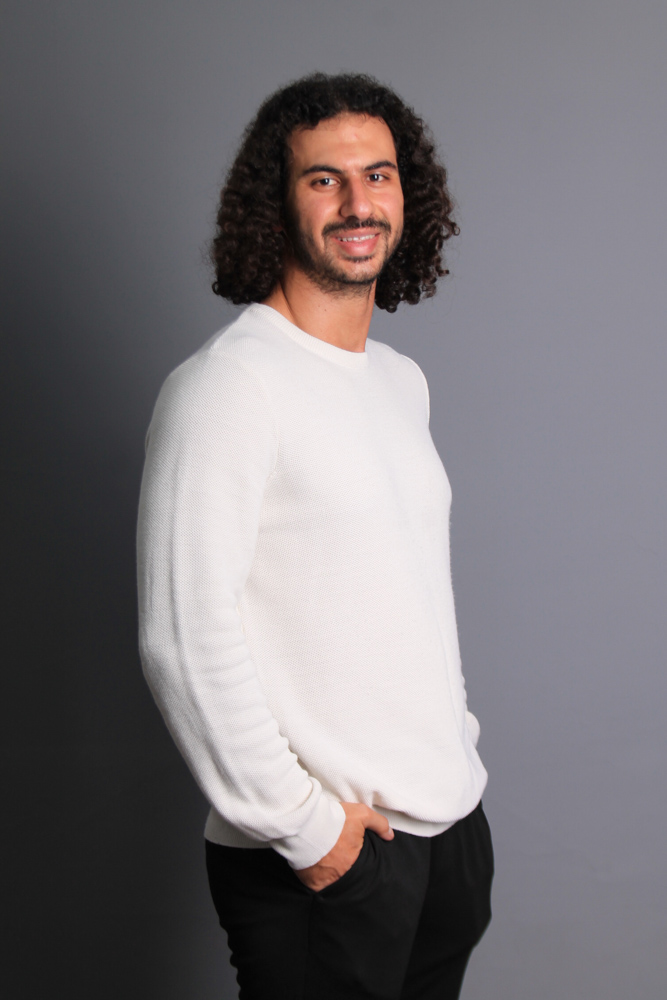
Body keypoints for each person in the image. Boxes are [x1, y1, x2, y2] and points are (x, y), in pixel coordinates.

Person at [137, 72, 493, 1000]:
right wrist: (302, 828)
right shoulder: (227, 386)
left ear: (406, 194)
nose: (357, 203)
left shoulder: (398, 380)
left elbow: (412, 594)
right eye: (323, 180)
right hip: (327, 856)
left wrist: (457, 755)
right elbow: (181, 637)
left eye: (377, 175)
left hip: (444, 834)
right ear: (277, 201)